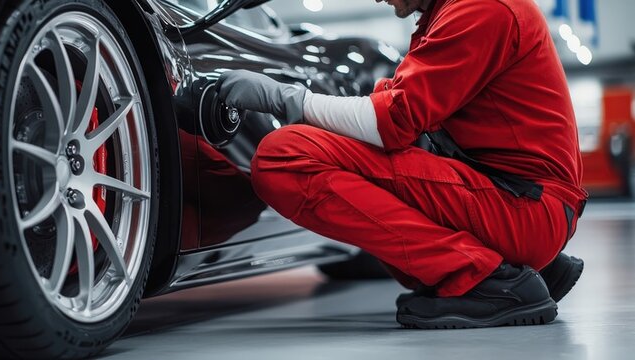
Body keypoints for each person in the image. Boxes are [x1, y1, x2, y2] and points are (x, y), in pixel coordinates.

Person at [216, 0, 587, 328]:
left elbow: (391, 122)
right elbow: (399, 115)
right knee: (345, 150)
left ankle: (483, 279)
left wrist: (286, 98)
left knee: (283, 157)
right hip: (521, 200)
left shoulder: (481, 8)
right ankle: (515, 265)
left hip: (524, 209)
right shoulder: (454, 12)